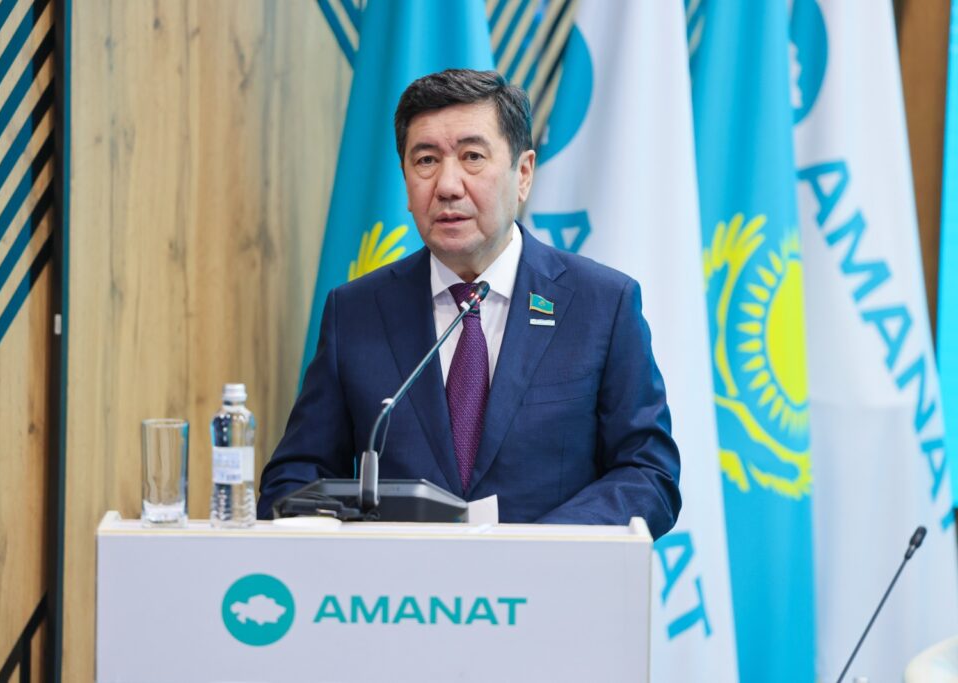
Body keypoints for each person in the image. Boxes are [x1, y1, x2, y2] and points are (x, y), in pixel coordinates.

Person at [257, 69, 680, 535]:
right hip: (398, 580)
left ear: (523, 174)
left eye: (472, 157)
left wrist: (545, 546)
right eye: (425, 161)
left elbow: (648, 474)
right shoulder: (356, 312)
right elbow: (294, 478)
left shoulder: (601, 305)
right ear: (406, 182)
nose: (447, 185)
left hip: (549, 577)